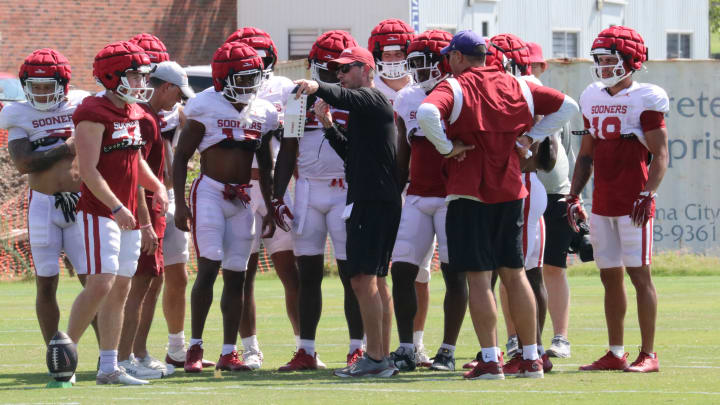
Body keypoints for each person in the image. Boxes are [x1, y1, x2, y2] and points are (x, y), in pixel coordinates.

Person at [417, 30, 578, 380]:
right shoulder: (516, 84)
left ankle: (491, 359)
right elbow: (569, 106)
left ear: (459, 57)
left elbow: (426, 113)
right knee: (515, 273)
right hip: (511, 190)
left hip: (469, 191)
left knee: (479, 277)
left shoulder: (455, 85)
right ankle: (532, 357)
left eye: (450, 56)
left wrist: (446, 148)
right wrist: (529, 137)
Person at [54, 41, 169, 385]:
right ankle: (64, 356)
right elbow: (88, 169)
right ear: (112, 75)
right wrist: (116, 207)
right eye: (134, 75)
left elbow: (134, 161)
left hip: (129, 213)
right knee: (101, 283)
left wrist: (157, 186)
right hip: (101, 211)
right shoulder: (93, 111)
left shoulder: (134, 111)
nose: (139, 82)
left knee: (120, 288)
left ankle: (108, 367)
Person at [295, 45, 402, 378]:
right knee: (376, 280)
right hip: (376, 199)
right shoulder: (366, 109)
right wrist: (328, 125)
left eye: (346, 68)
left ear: (367, 69)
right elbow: (352, 155)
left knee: (361, 278)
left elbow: (341, 95)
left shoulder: (372, 98)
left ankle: (375, 356)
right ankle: (381, 357)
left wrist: (316, 87)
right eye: (336, 70)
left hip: (372, 201)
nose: (339, 74)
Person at [173, 41, 277, 373]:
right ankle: (194, 348)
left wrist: (271, 204)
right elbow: (180, 157)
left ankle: (229, 351)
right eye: (242, 79)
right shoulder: (204, 105)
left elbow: (266, 162)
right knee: (207, 269)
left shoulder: (263, 110)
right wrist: (179, 203)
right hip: (210, 194)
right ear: (223, 78)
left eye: (253, 78)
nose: (249, 86)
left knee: (237, 276)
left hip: (244, 198)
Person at [570, 26, 668, 373]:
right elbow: (585, 154)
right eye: (599, 59)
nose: (603, 65)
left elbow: (661, 155)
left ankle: (649, 354)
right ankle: (615, 351)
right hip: (602, 202)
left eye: (610, 59)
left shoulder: (646, 97)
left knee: (640, 276)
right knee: (609, 277)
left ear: (630, 60)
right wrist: (573, 194)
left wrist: (647, 193)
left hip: (633, 202)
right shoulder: (592, 96)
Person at [274, 30, 366, 371]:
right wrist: (276, 194)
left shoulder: (357, 95)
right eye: (323, 66)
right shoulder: (299, 96)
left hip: (346, 189)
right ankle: (306, 350)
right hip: (310, 190)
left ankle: (358, 347)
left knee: (350, 273)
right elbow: (288, 147)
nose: (329, 73)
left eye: (336, 66)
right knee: (308, 273)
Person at [1, 50, 94, 381]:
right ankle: (58, 359)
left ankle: (107, 356)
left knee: (93, 282)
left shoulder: (81, 105)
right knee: (46, 283)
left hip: (81, 202)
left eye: (47, 86)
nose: (40, 93)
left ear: (63, 84)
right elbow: (24, 163)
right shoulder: (18, 114)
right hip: (43, 204)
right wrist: (64, 148)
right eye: (34, 87)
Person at [388, 29, 467, 372]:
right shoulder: (406, 98)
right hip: (418, 195)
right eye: (413, 63)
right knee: (402, 270)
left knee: (455, 275)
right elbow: (403, 149)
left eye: (424, 62)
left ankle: (448, 350)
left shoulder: (464, 92)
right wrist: (395, 191)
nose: (418, 70)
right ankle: (407, 347)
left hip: (454, 197)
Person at [223, 27, 300, 369]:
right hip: (239, 187)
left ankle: (304, 345)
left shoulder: (283, 89)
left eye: (260, 57)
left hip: (278, 187)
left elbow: (293, 141)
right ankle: (250, 347)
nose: (255, 63)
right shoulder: (222, 90)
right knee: (243, 274)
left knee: (291, 270)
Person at [116, 59, 195, 379]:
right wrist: (146, 222)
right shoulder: (146, 121)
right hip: (146, 212)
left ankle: (137, 353)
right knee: (139, 287)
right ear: (166, 87)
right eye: (178, 93)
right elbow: (136, 176)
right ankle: (123, 358)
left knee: (150, 283)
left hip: (152, 211)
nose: (179, 100)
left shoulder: (148, 117)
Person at [481, 33, 554, 376]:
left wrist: (526, 141)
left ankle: (533, 351)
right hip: (511, 187)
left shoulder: (524, 86)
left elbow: (548, 157)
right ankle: (518, 348)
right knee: (511, 271)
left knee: (522, 272)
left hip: (520, 185)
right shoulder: (509, 84)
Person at [528, 41, 574, 359]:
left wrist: (573, 193)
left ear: (542, 68)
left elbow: (566, 150)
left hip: (555, 191)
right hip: (522, 191)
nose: (526, 71)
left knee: (554, 267)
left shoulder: (556, 103)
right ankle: (519, 337)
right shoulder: (507, 97)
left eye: (531, 65)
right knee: (515, 268)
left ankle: (560, 337)